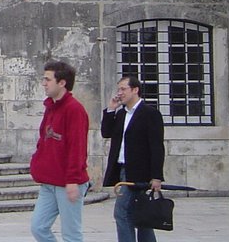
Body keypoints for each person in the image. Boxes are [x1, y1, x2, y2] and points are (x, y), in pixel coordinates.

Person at [30, 60, 91, 242]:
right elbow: (44, 139)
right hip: (49, 182)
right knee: (38, 228)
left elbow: (77, 148)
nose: (44, 83)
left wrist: (72, 181)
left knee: (71, 234)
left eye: (48, 79)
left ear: (62, 82)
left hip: (67, 183)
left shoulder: (74, 110)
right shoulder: (50, 107)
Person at [101, 75, 166, 242]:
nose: (120, 93)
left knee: (121, 213)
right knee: (141, 215)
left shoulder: (150, 113)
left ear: (135, 90)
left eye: (123, 89)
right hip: (123, 169)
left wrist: (156, 176)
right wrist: (110, 110)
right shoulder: (121, 114)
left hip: (140, 172)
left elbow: (157, 147)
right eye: (119, 89)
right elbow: (106, 132)